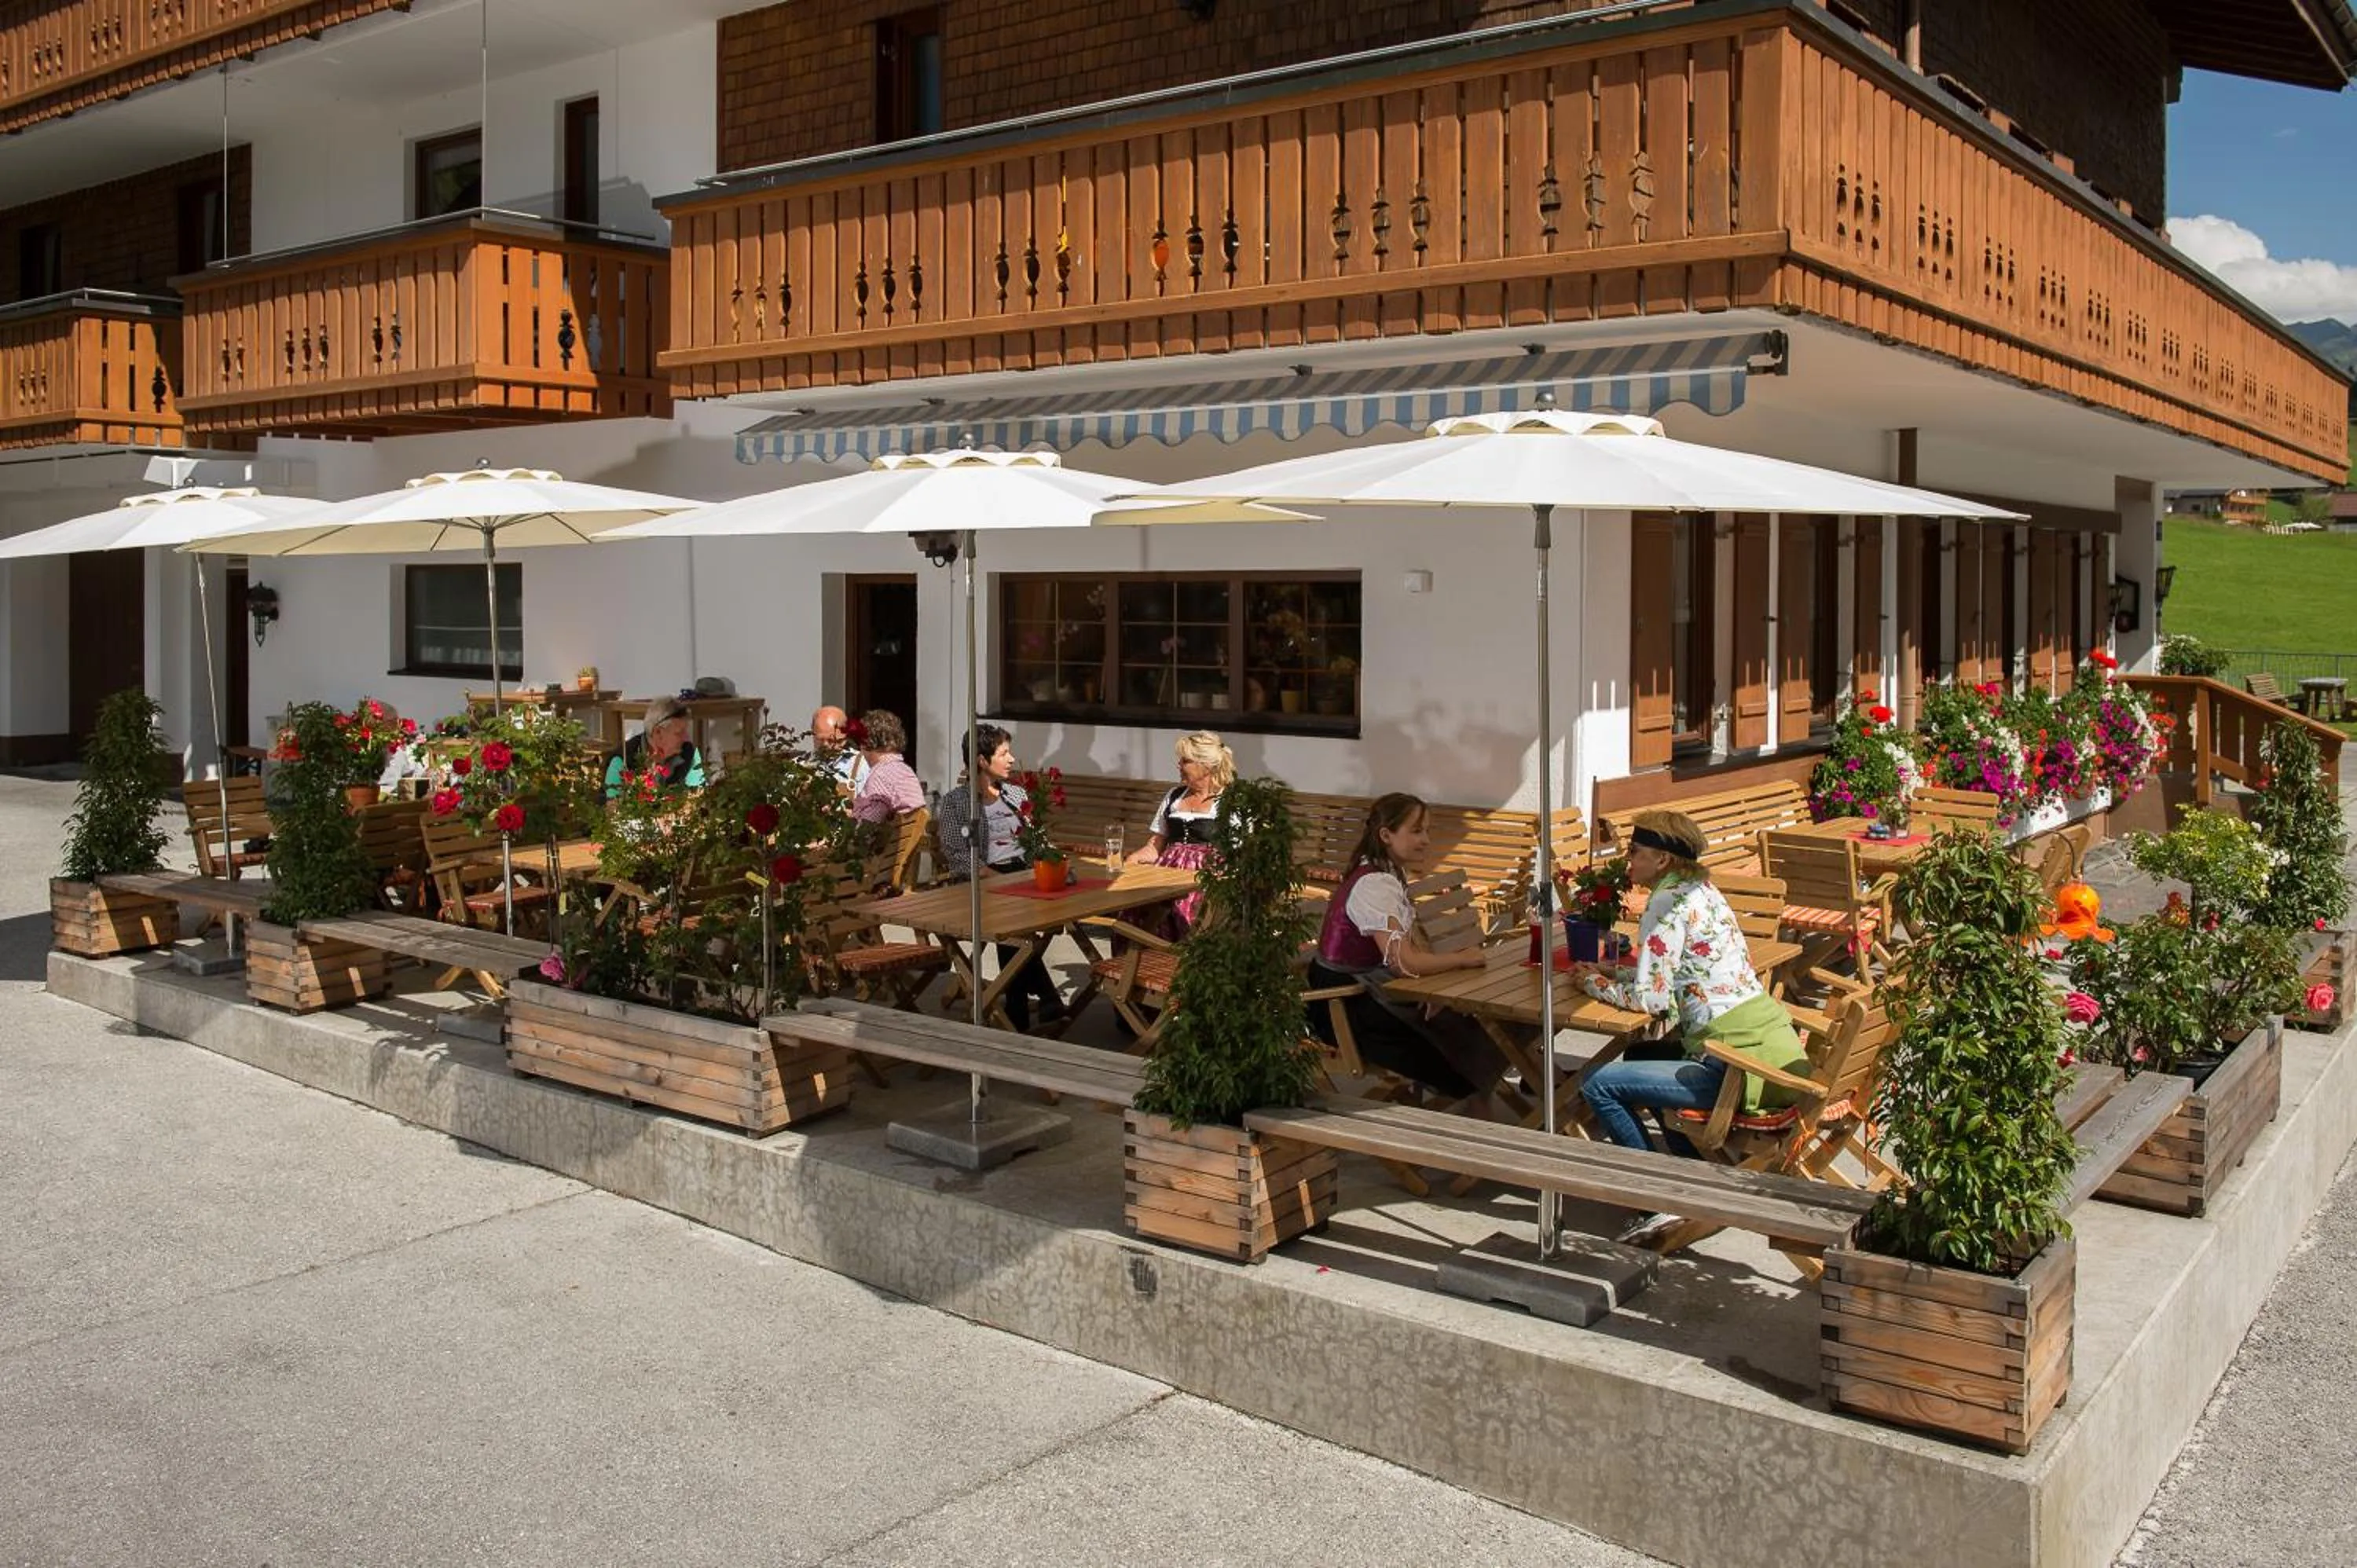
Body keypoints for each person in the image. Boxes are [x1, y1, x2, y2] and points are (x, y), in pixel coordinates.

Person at [1572, 808, 1810, 1163]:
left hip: (1734, 1070)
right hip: (1767, 1049)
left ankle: (1653, 1198)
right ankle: (1688, 1164)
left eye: (1635, 850)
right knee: (1640, 1055)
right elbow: (1684, 973)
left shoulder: (1666, 901)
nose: (1627, 860)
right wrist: (1616, 973)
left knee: (1598, 1085)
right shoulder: (1704, 891)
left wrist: (1591, 982)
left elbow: (1651, 1001)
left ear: (1663, 859)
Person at [1308, 793, 1512, 1103]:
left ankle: (1488, 1101)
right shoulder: (1374, 884)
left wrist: (1433, 989)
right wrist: (1461, 959)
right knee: (1463, 1044)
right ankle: (1465, 1122)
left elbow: (1404, 955)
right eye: (1417, 831)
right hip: (1346, 1004)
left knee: (1473, 1025)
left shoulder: (1385, 872)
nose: (1426, 840)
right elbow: (1404, 963)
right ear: (1386, 835)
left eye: (1426, 830)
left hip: (1369, 988)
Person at [933, 724, 1066, 1031]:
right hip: (977, 884)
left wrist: (1053, 861)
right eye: (1004, 753)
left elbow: (1038, 840)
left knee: (1016, 922)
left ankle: (1021, 1008)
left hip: (1022, 876)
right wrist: (996, 878)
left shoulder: (1016, 794)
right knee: (1013, 924)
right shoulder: (956, 803)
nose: (1011, 759)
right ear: (982, 760)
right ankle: (1040, 1000)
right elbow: (958, 854)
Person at [1124, 729, 1231, 936]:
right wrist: (1132, 861)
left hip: (1204, 880)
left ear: (1205, 766)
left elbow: (1241, 854)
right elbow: (1155, 845)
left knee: (1181, 912)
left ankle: (1178, 962)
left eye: (1185, 761)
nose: (1179, 766)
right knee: (1132, 909)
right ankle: (1135, 965)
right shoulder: (1174, 796)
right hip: (1165, 874)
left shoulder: (1230, 802)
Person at [603, 695, 706, 801]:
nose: (687, 738)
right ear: (658, 733)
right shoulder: (623, 760)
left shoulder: (689, 754)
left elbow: (697, 800)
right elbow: (613, 810)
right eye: (679, 733)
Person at [849, 709, 925, 825]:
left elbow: (869, 827)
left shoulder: (880, 775)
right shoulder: (905, 770)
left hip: (887, 842)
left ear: (865, 743)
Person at [812, 705, 868, 793]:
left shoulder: (863, 766)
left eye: (831, 740)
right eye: (820, 739)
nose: (825, 745)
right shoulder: (801, 766)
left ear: (844, 738)